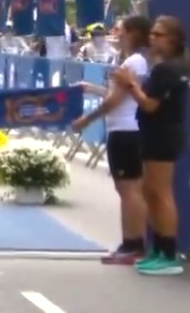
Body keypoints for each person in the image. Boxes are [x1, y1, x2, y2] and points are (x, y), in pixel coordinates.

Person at [70, 16, 152, 265]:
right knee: (126, 189)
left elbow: (115, 101)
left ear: (132, 33)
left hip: (127, 131)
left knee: (130, 190)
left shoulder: (133, 61)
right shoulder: (132, 61)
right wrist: (92, 88)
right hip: (125, 129)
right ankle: (131, 243)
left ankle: (134, 243)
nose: (115, 33)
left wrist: (88, 119)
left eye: (120, 29)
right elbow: (117, 94)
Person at [115, 15, 190, 275]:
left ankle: (168, 252)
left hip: (163, 136)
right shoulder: (163, 68)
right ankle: (158, 249)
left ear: (173, 40)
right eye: (152, 34)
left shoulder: (169, 70)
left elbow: (149, 104)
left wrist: (131, 84)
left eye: (159, 35)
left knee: (160, 193)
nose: (152, 38)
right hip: (153, 135)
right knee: (150, 191)